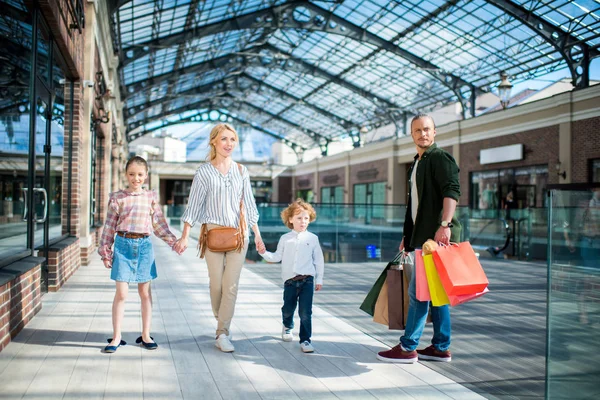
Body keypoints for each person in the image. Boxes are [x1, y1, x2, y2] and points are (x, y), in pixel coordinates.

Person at [173, 123, 264, 353]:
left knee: (230, 286)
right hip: (212, 233)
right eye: (224, 139)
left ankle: (222, 332)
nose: (229, 144)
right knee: (216, 285)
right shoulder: (204, 171)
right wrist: (184, 236)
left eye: (232, 140)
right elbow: (193, 205)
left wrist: (258, 235)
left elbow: (250, 205)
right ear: (214, 141)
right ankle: (221, 316)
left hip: (238, 235)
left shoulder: (242, 171)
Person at [377, 113, 461, 364]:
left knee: (419, 293)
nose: (423, 134)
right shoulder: (417, 162)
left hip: (435, 239)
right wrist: (408, 236)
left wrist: (445, 225)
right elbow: (414, 205)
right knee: (437, 294)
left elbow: (452, 191)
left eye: (427, 129)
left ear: (434, 132)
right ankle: (441, 346)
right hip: (421, 238)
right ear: (412, 135)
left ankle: (407, 347)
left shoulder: (440, 157)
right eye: (417, 131)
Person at [98, 156, 179, 353]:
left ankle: (145, 335)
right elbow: (109, 226)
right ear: (126, 175)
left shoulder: (150, 197)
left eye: (140, 174)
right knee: (122, 293)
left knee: (145, 293)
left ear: (146, 176)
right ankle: (116, 337)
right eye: (132, 174)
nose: (136, 178)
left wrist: (173, 242)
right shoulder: (117, 198)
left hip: (144, 247)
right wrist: (105, 251)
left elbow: (159, 224)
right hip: (123, 245)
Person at [258, 199, 324, 353]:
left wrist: (319, 279)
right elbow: (276, 257)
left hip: (307, 280)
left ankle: (306, 340)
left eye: (306, 218)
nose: (303, 221)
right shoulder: (285, 239)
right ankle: (287, 326)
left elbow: (319, 261)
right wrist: (263, 253)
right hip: (290, 282)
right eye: (299, 218)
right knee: (288, 308)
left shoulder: (313, 239)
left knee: (305, 312)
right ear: (290, 219)